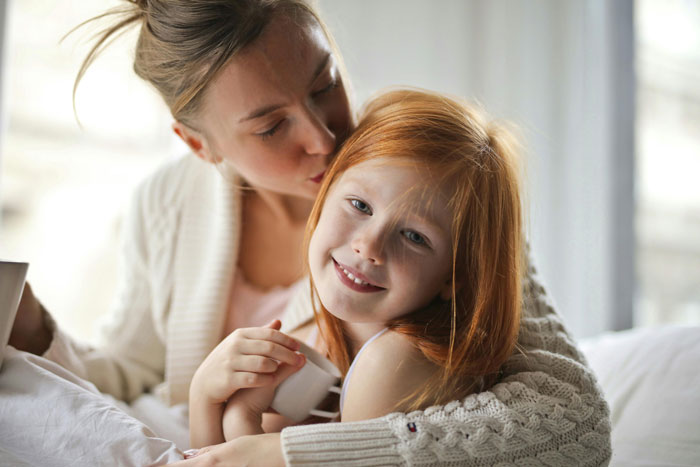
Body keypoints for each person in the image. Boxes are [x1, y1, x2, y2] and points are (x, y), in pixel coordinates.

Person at [9, 0, 611, 465]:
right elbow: (131, 373)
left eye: (325, 85)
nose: (325, 139)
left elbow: (574, 419)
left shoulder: (423, 178)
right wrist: (33, 330)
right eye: (271, 127)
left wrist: (293, 456)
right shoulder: (167, 201)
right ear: (199, 144)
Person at [190, 88, 525, 447]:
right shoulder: (318, 334)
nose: (369, 246)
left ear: (453, 277)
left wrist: (240, 419)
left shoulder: (394, 364)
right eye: (360, 205)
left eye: (414, 236)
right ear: (325, 192)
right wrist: (205, 398)